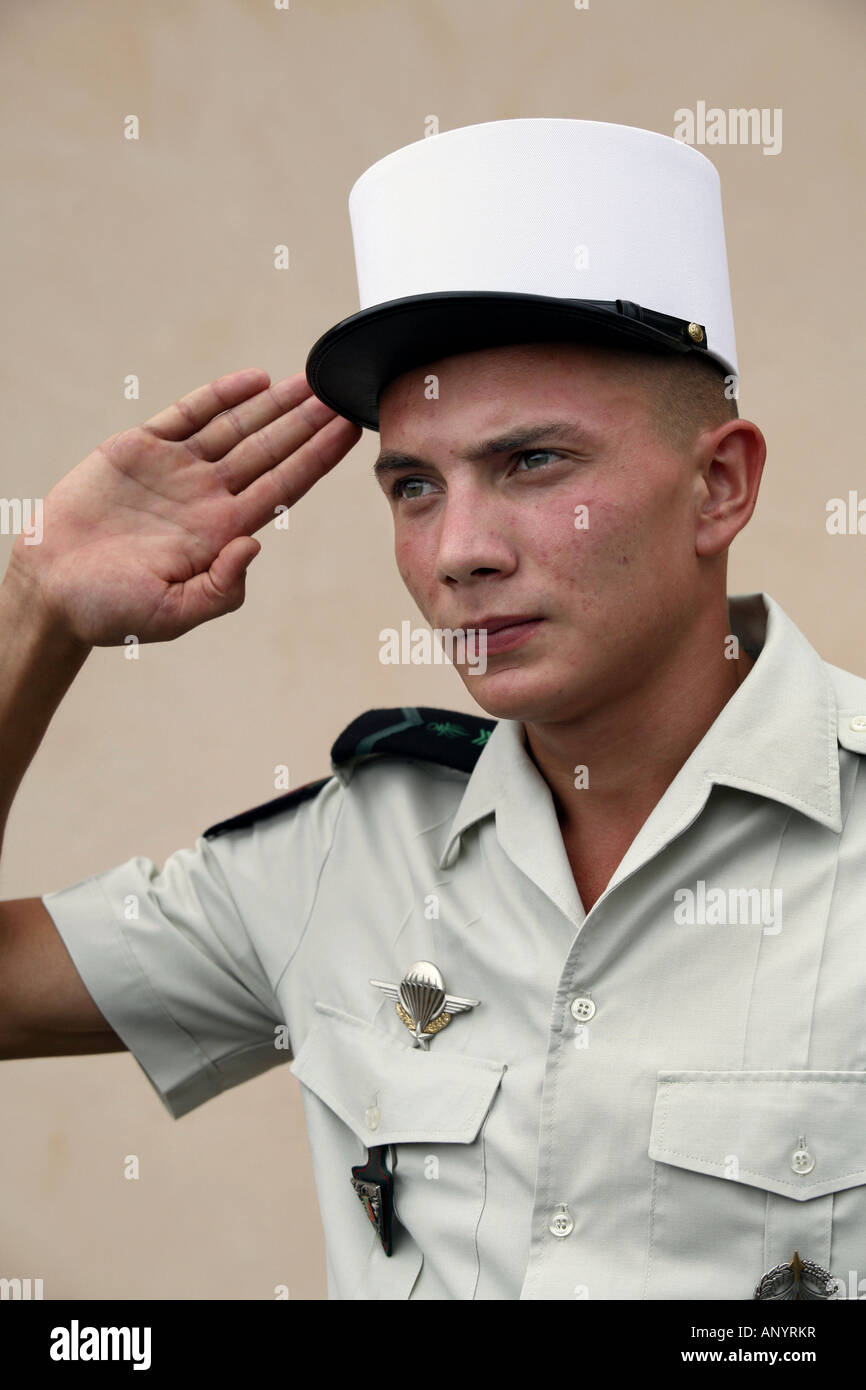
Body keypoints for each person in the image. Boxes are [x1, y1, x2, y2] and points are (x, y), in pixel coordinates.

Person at [2, 119, 864, 1302]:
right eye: (414, 486)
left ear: (717, 485)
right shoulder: (347, 857)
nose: (456, 551)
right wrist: (35, 604)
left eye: (532, 464)